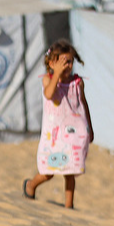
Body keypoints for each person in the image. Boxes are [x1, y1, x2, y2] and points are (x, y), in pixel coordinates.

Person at [22, 38, 94, 209]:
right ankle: (31, 185)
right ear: (51, 63)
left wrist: (90, 127)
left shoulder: (77, 83)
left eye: (69, 62)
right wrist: (57, 75)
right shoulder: (48, 80)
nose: (66, 66)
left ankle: (69, 206)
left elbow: (84, 104)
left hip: (74, 133)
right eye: (62, 62)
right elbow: (49, 94)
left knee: (71, 172)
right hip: (54, 134)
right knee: (48, 172)